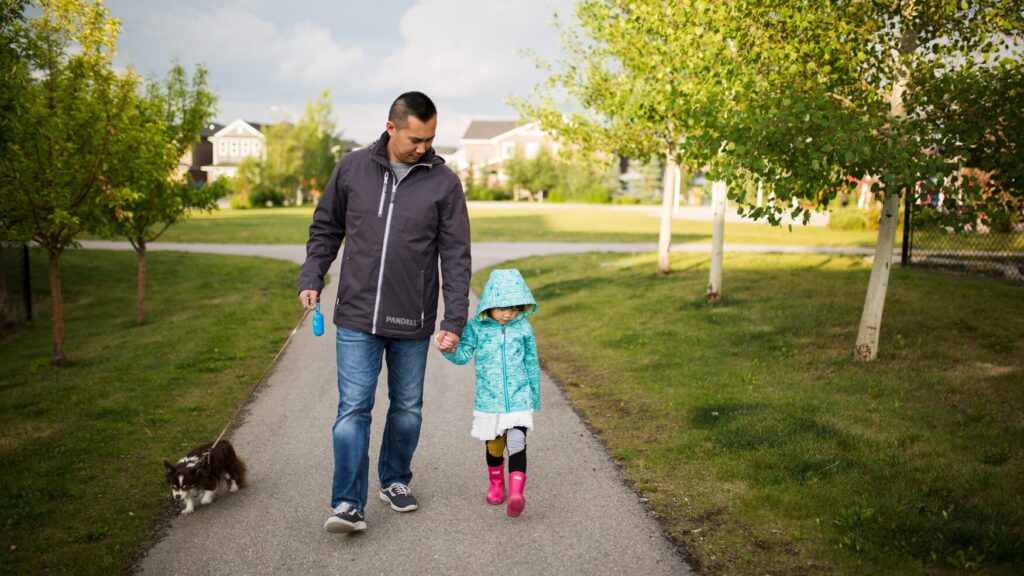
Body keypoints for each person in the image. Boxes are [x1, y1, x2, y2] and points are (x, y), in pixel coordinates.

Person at [298, 91, 471, 534]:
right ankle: (347, 504)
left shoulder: (443, 183)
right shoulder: (353, 168)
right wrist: (312, 276)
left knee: (407, 408)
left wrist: (454, 319)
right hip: (357, 314)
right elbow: (326, 227)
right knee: (353, 408)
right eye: (416, 138)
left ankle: (394, 479)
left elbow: (455, 255)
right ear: (391, 127)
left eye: (431, 139)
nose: (424, 147)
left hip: (412, 317)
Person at [439, 268, 540, 518]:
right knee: (495, 447)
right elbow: (462, 356)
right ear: (490, 304)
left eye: (514, 307)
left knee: (517, 443)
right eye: (502, 307)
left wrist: (533, 396)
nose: (508, 314)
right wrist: (447, 349)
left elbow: (531, 362)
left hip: (518, 398)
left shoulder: (523, 328)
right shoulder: (477, 328)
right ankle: (496, 483)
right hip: (489, 401)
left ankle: (517, 493)